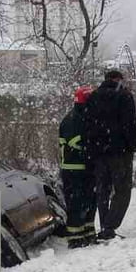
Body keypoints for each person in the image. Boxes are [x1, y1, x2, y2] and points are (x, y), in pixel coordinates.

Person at [84, 69, 136, 240]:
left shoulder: (93, 97)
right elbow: (129, 124)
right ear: (118, 80)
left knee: (103, 190)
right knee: (122, 190)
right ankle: (110, 226)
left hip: (99, 153)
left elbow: (88, 125)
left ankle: (104, 225)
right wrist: (133, 144)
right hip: (120, 152)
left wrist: (92, 148)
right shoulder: (124, 96)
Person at [57, 86, 97, 248]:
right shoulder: (72, 119)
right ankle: (75, 238)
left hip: (85, 168)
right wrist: (95, 148)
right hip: (73, 168)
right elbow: (76, 142)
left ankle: (87, 233)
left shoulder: (83, 116)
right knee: (76, 203)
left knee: (89, 202)